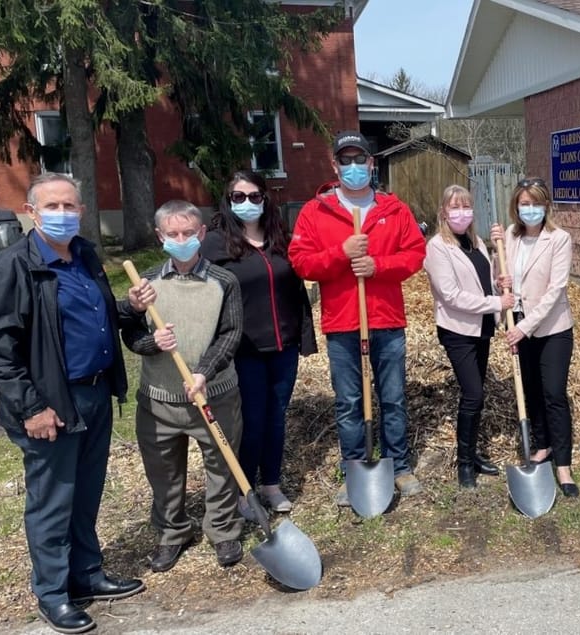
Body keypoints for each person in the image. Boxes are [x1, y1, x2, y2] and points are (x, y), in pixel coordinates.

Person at [0, 173, 147, 634]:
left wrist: (129, 306)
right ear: (32, 212)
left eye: (70, 206)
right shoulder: (14, 266)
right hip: (51, 402)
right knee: (53, 501)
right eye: (52, 206)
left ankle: (87, 574)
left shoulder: (85, 255)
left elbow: (98, 315)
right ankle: (53, 593)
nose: (63, 214)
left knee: (87, 491)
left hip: (94, 392)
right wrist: (31, 408)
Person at [288, 130, 426, 506]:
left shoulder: (393, 209)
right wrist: (341, 253)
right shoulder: (316, 212)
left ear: (371, 163)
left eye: (359, 159)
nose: (353, 167)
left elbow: (414, 254)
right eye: (344, 160)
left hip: (386, 318)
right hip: (343, 321)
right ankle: (354, 469)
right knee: (349, 401)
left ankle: (398, 466)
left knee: (393, 398)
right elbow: (301, 262)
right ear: (334, 165)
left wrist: (377, 266)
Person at [122, 200, 245, 573]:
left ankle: (223, 530)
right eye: (173, 234)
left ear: (202, 234)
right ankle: (173, 533)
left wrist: (204, 371)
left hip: (215, 394)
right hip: (159, 400)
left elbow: (231, 333)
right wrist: (151, 343)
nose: (181, 239)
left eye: (188, 233)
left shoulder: (224, 282)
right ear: (160, 237)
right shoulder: (144, 286)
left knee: (222, 467)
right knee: (163, 471)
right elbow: (130, 335)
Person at [202, 171, 317, 519]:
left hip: (283, 345)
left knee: (276, 418)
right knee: (251, 420)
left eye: (255, 196)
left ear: (265, 199)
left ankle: (271, 483)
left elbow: (298, 287)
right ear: (228, 200)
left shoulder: (281, 238)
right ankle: (243, 490)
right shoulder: (215, 245)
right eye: (239, 197)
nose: (248, 203)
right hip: (244, 349)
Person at [490, 177, 578, 497]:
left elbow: (556, 290)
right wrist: (494, 253)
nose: (530, 209)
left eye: (536, 203)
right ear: (516, 206)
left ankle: (564, 465)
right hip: (518, 324)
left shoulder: (559, 238)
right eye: (524, 204)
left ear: (546, 205)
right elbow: (501, 282)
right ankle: (542, 446)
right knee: (532, 391)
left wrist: (525, 327)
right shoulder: (510, 238)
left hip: (552, 328)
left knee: (554, 393)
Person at [424, 184, 514, 488]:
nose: (462, 212)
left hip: (482, 327)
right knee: (473, 394)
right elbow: (450, 295)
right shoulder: (438, 246)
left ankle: (473, 455)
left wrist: (499, 272)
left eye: (466, 206)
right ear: (444, 212)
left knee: (478, 396)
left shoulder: (474, 240)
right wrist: (495, 303)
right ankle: (464, 463)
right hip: (458, 329)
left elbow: (483, 279)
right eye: (455, 207)